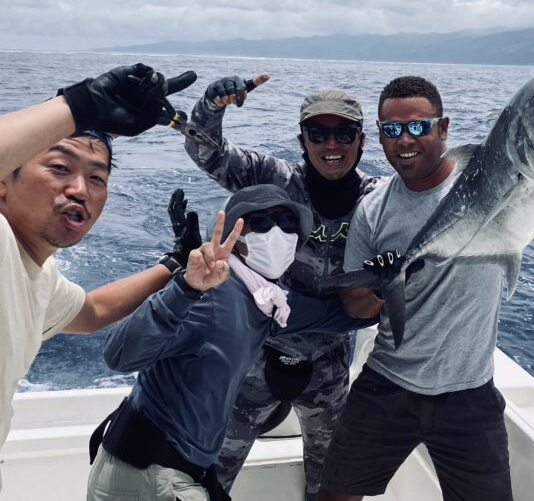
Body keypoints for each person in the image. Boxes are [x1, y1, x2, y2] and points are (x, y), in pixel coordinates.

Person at [0, 63, 198, 500]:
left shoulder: (35, 271)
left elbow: (91, 312)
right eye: (59, 167)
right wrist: (78, 104)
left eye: (97, 178)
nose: (79, 189)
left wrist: (173, 263)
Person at [317, 76, 534, 501]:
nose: (405, 139)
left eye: (418, 126)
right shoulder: (373, 209)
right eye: (392, 130)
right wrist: (383, 278)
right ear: (379, 136)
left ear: (443, 129)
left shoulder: (497, 176)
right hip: (387, 382)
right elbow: (356, 308)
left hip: (469, 391)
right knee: (334, 494)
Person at [86, 184, 379, 501]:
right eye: (261, 222)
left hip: (176, 473)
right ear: (234, 238)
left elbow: (342, 317)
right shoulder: (208, 297)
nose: (276, 232)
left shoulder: (270, 303)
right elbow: (118, 355)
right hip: (145, 476)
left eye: (287, 222)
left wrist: (386, 285)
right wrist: (185, 288)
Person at [185, 77, 382, 500]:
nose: (332, 143)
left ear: (361, 140)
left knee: (331, 483)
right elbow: (206, 152)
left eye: (343, 133)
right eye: (318, 133)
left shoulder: (378, 199)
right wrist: (211, 104)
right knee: (209, 475)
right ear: (302, 140)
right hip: (255, 359)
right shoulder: (275, 177)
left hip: (328, 365)